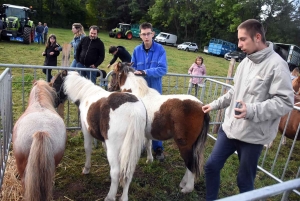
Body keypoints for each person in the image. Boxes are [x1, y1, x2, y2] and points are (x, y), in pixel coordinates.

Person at [202, 19, 294, 201]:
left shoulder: (277, 65)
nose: (239, 44)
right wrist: (214, 104)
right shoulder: (245, 62)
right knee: (211, 166)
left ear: (257, 37)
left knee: (244, 181)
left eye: (243, 39)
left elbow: (285, 101)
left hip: (253, 136)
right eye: (239, 40)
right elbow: (234, 92)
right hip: (229, 129)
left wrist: (251, 110)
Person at [131, 22, 167, 161]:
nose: (146, 36)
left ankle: (158, 148)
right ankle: (140, 145)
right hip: (139, 92)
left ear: (153, 34)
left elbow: (162, 69)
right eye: (143, 34)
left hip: (154, 91)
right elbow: (133, 68)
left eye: (148, 34)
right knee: (140, 117)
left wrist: (145, 72)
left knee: (156, 118)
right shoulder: (136, 51)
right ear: (140, 35)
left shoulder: (160, 50)